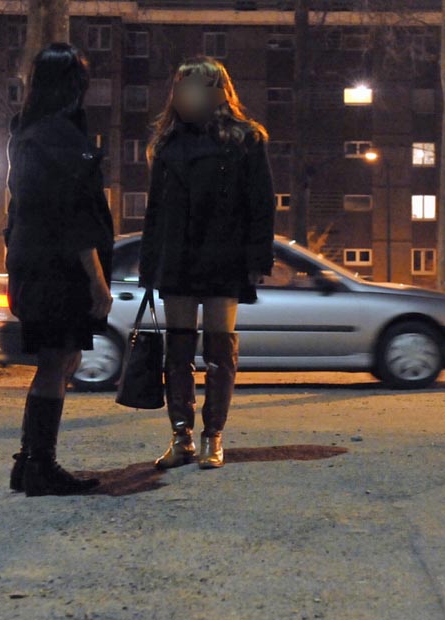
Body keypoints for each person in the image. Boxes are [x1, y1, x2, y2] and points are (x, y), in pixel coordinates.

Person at [139, 56, 275, 470]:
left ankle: (213, 435)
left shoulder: (247, 140)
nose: (187, 96)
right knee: (177, 350)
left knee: (220, 350)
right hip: (178, 255)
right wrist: (149, 266)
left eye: (195, 86)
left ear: (217, 92)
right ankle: (181, 437)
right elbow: (156, 211)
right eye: (182, 87)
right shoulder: (167, 143)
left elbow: (261, 203)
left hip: (223, 254)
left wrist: (256, 258)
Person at [4, 43, 114, 496]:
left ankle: (30, 461)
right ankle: (40, 466)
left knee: (60, 359)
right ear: (74, 87)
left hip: (33, 262)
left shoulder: (27, 134)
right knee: (57, 360)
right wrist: (97, 282)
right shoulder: (60, 139)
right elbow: (74, 219)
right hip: (58, 269)